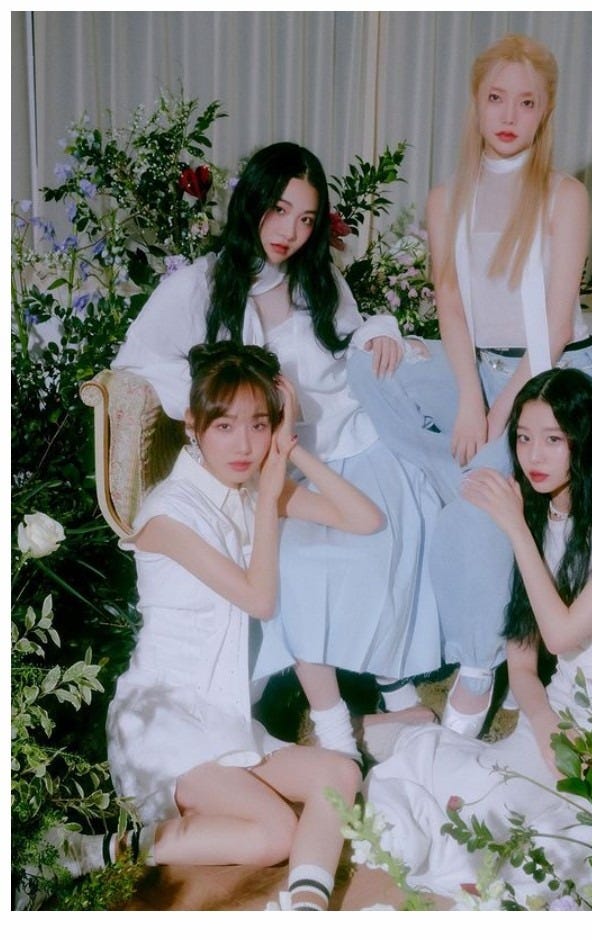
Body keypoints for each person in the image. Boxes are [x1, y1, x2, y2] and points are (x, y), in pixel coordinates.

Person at [111, 142, 443, 760]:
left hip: (346, 439)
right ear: (252, 204)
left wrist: (380, 331)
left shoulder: (319, 278)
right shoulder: (199, 286)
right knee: (298, 563)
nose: (290, 232)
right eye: (280, 210)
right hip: (269, 459)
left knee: (392, 531)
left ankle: (394, 690)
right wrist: (227, 397)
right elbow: (136, 362)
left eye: (307, 219)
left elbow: (352, 339)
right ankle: (335, 722)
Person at [358, 368, 592, 906]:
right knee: (471, 804)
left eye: (552, 440)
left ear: (585, 441)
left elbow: (562, 636)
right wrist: (546, 725)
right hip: (565, 710)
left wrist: (517, 528)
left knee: (586, 853)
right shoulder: (542, 517)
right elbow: (522, 663)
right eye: (523, 438)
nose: (533, 456)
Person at [347, 33, 592, 736]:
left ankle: (476, 662)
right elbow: (452, 305)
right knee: (367, 362)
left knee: (477, 504)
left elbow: (554, 326)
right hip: (481, 368)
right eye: (496, 98)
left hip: (551, 371)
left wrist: (498, 419)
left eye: (527, 103)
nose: (509, 115)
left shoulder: (564, 195)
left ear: (545, 111)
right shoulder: (447, 199)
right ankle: (448, 467)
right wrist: (469, 398)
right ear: (476, 103)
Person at [88, 339, 386, 912]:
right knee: (274, 834)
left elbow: (364, 518)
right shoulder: (168, 514)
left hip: (224, 718)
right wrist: (270, 494)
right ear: (193, 426)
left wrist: (290, 450)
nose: (244, 444)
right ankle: (105, 848)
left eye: (258, 424)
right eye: (224, 426)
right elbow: (259, 599)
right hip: (164, 723)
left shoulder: (247, 490)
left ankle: (307, 909)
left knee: (340, 774)